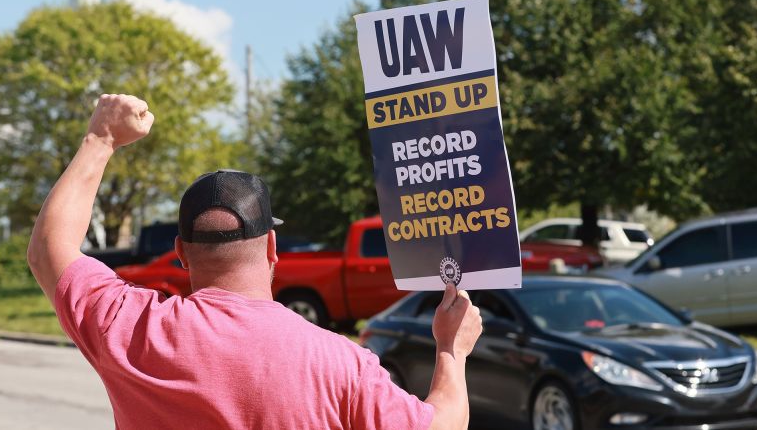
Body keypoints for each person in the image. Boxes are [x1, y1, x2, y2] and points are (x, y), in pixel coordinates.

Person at [27, 94, 483, 429]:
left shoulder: (130, 329)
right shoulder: (340, 363)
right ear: (272, 248)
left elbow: (50, 249)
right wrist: (450, 349)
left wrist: (101, 137)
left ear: (181, 252)